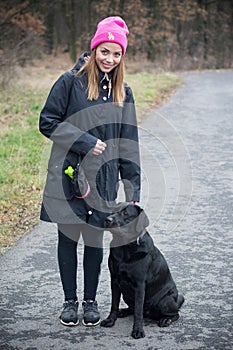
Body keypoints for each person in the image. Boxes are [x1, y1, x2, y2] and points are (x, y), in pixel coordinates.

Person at [39, 16, 141, 327]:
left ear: (122, 56)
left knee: (95, 239)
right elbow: (48, 122)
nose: (109, 59)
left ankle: (91, 300)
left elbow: (128, 145)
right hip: (68, 176)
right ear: (94, 48)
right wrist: (84, 141)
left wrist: (132, 192)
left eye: (116, 53)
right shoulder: (70, 81)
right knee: (68, 237)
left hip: (104, 180)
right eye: (104, 51)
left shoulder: (125, 92)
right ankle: (70, 301)